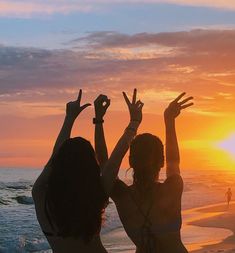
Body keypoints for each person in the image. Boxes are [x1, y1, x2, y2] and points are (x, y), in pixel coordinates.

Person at [32, 89, 143, 253]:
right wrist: (133, 122)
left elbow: (52, 161)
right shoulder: (96, 194)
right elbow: (114, 160)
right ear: (92, 166)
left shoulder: (41, 195)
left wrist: (69, 118)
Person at [98, 90, 193, 253]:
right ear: (161, 162)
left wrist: (99, 120)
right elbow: (174, 161)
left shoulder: (123, 196)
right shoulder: (172, 190)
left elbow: (106, 165)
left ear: (130, 161)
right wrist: (169, 120)